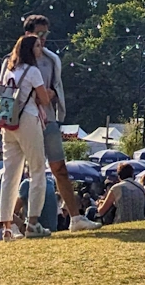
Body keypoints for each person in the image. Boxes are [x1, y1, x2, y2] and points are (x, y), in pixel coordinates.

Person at [23, 15, 98, 231]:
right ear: (28, 33)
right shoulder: (15, 58)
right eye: (39, 34)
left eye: (46, 34)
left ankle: (75, 218)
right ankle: (14, 223)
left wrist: (50, 94)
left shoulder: (50, 59)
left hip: (47, 119)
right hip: (24, 121)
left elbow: (56, 88)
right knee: (25, 172)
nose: (44, 38)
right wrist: (33, 94)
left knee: (59, 167)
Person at [0, 34, 52, 242]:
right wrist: (46, 93)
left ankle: (7, 228)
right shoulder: (33, 71)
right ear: (31, 50)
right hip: (27, 119)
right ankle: (33, 222)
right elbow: (44, 99)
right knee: (38, 169)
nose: (40, 49)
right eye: (37, 46)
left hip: (8, 121)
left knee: (10, 174)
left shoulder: (8, 69)